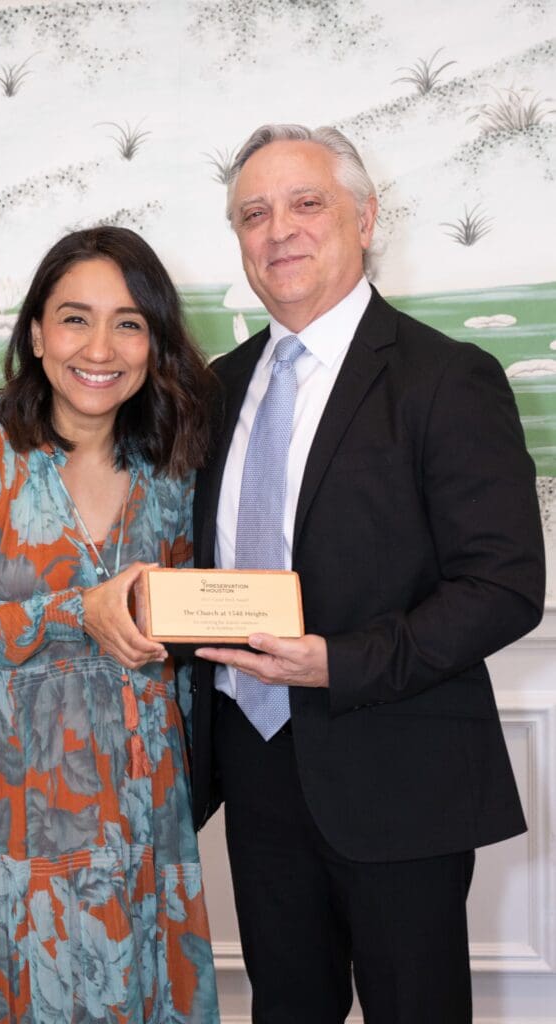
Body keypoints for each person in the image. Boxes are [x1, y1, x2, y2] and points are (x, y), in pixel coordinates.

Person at [191, 124, 545, 1024]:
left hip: (400, 772)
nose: (280, 231)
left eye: (306, 203)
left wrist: (335, 662)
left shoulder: (446, 377)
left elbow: (503, 585)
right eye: (253, 214)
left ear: (364, 216)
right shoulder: (213, 390)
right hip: (255, 769)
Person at [0, 226, 221, 1024]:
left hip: (139, 810)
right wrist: (73, 613)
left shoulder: (168, 465)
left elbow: (180, 618)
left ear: (153, 342)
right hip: (6, 811)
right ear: (37, 334)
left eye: (128, 322)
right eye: (75, 317)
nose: (101, 346)